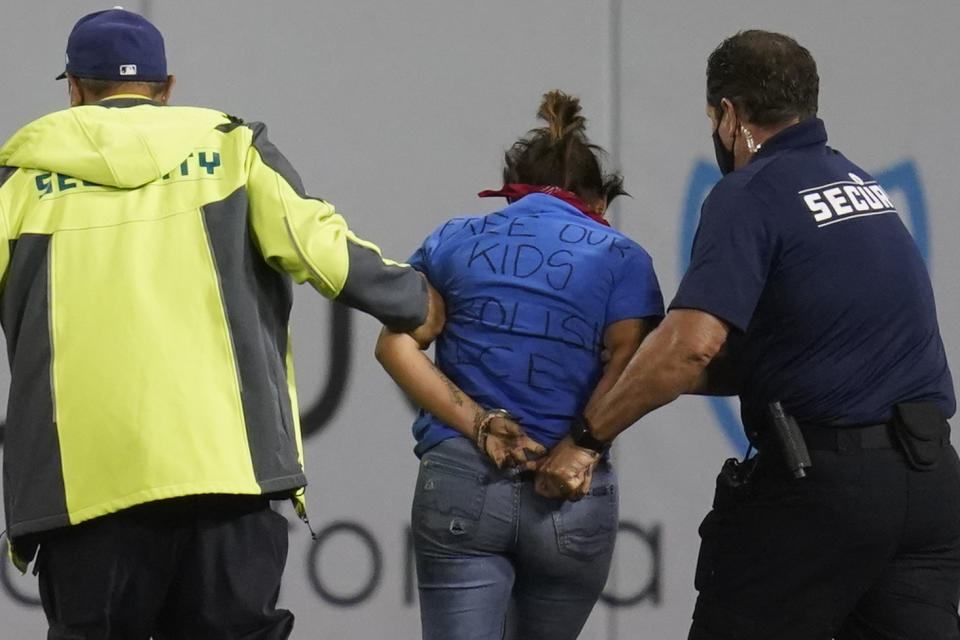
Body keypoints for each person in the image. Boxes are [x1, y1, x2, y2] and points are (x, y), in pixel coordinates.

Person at [0, 8, 442, 639]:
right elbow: (324, 250)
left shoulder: (17, 183)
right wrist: (417, 302)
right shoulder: (232, 151)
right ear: (167, 87)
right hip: (223, 468)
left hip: (84, 489)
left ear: (73, 89)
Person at [532, 29, 960, 639]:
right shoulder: (863, 187)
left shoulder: (751, 192)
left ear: (730, 115)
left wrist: (585, 439)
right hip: (930, 488)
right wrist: (645, 370)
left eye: (713, 116)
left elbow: (692, 345)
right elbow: (780, 352)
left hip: (826, 492)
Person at [375, 90, 664, 640]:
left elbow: (394, 346)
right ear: (599, 203)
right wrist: (579, 447)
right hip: (570, 489)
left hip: (462, 477)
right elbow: (633, 363)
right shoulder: (623, 256)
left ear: (511, 192)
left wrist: (479, 425)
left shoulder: (453, 239)